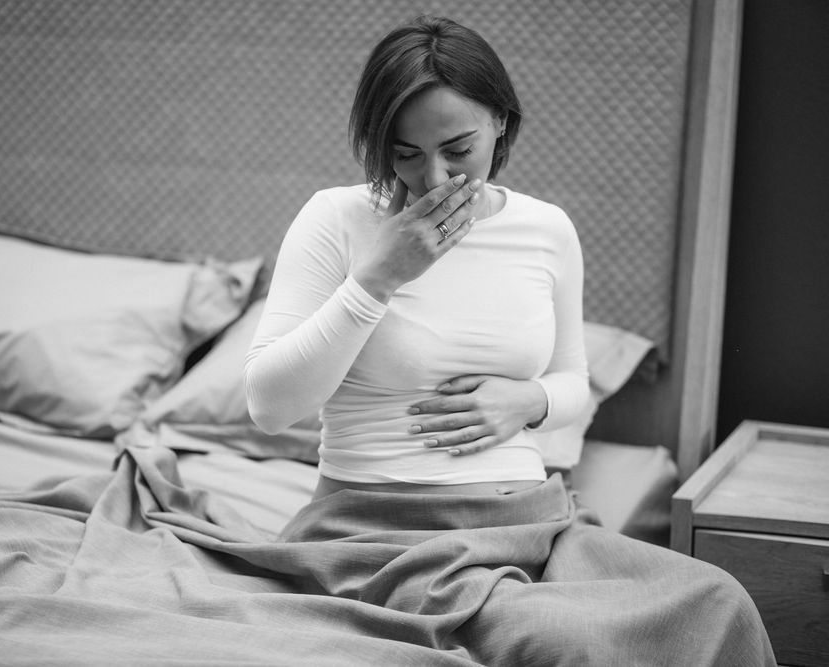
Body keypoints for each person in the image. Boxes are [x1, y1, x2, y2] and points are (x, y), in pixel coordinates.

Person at [244, 15, 774, 665]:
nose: (434, 180)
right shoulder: (338, 220)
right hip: (378, 529)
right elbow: (269, 406)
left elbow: (572, 380)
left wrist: (527, 401)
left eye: (457, 149)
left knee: (720, 599)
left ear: (500, 122)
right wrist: (378, 278)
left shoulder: (547, 230)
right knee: (560, 640)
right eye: (405, 154)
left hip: (532, 520)